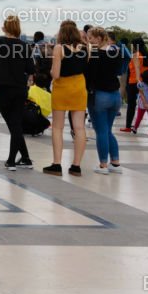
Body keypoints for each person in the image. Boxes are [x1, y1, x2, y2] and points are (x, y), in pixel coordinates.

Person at [0, 16, 34, 170]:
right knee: (15, 124)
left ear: (4, 27)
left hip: (3, 88)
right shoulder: (25, 46)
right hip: (20, 88)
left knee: (13, 125)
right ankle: (25, 158)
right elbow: (30, 69)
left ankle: (11, 160)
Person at [44, 20, 89, 177]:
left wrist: (51, 69)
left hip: (62, 88)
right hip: (79, 88)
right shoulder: (86, 48)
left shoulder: (59, 48)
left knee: (57, 127)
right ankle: (76, 166)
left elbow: (55, 74)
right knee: (79, 128)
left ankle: (57, 164)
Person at [86, 27, 124, 173]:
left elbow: (91, 76)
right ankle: (115, 162)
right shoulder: (117, 52)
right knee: (108, 130)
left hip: (100, 95)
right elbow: (119, 70)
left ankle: (103, 165)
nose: (89, 41)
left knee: (101, 131)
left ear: (99, 39)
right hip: (115, 95)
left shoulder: (95, 53)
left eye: (91, 38)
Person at [122, 38, 148, 133]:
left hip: (134, 82)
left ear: (135, 45)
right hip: (145, 82)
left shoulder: (136, 55)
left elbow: (136, 68)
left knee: (131, 105)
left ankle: (128, 126)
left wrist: (137, 80)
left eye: (132, 45)